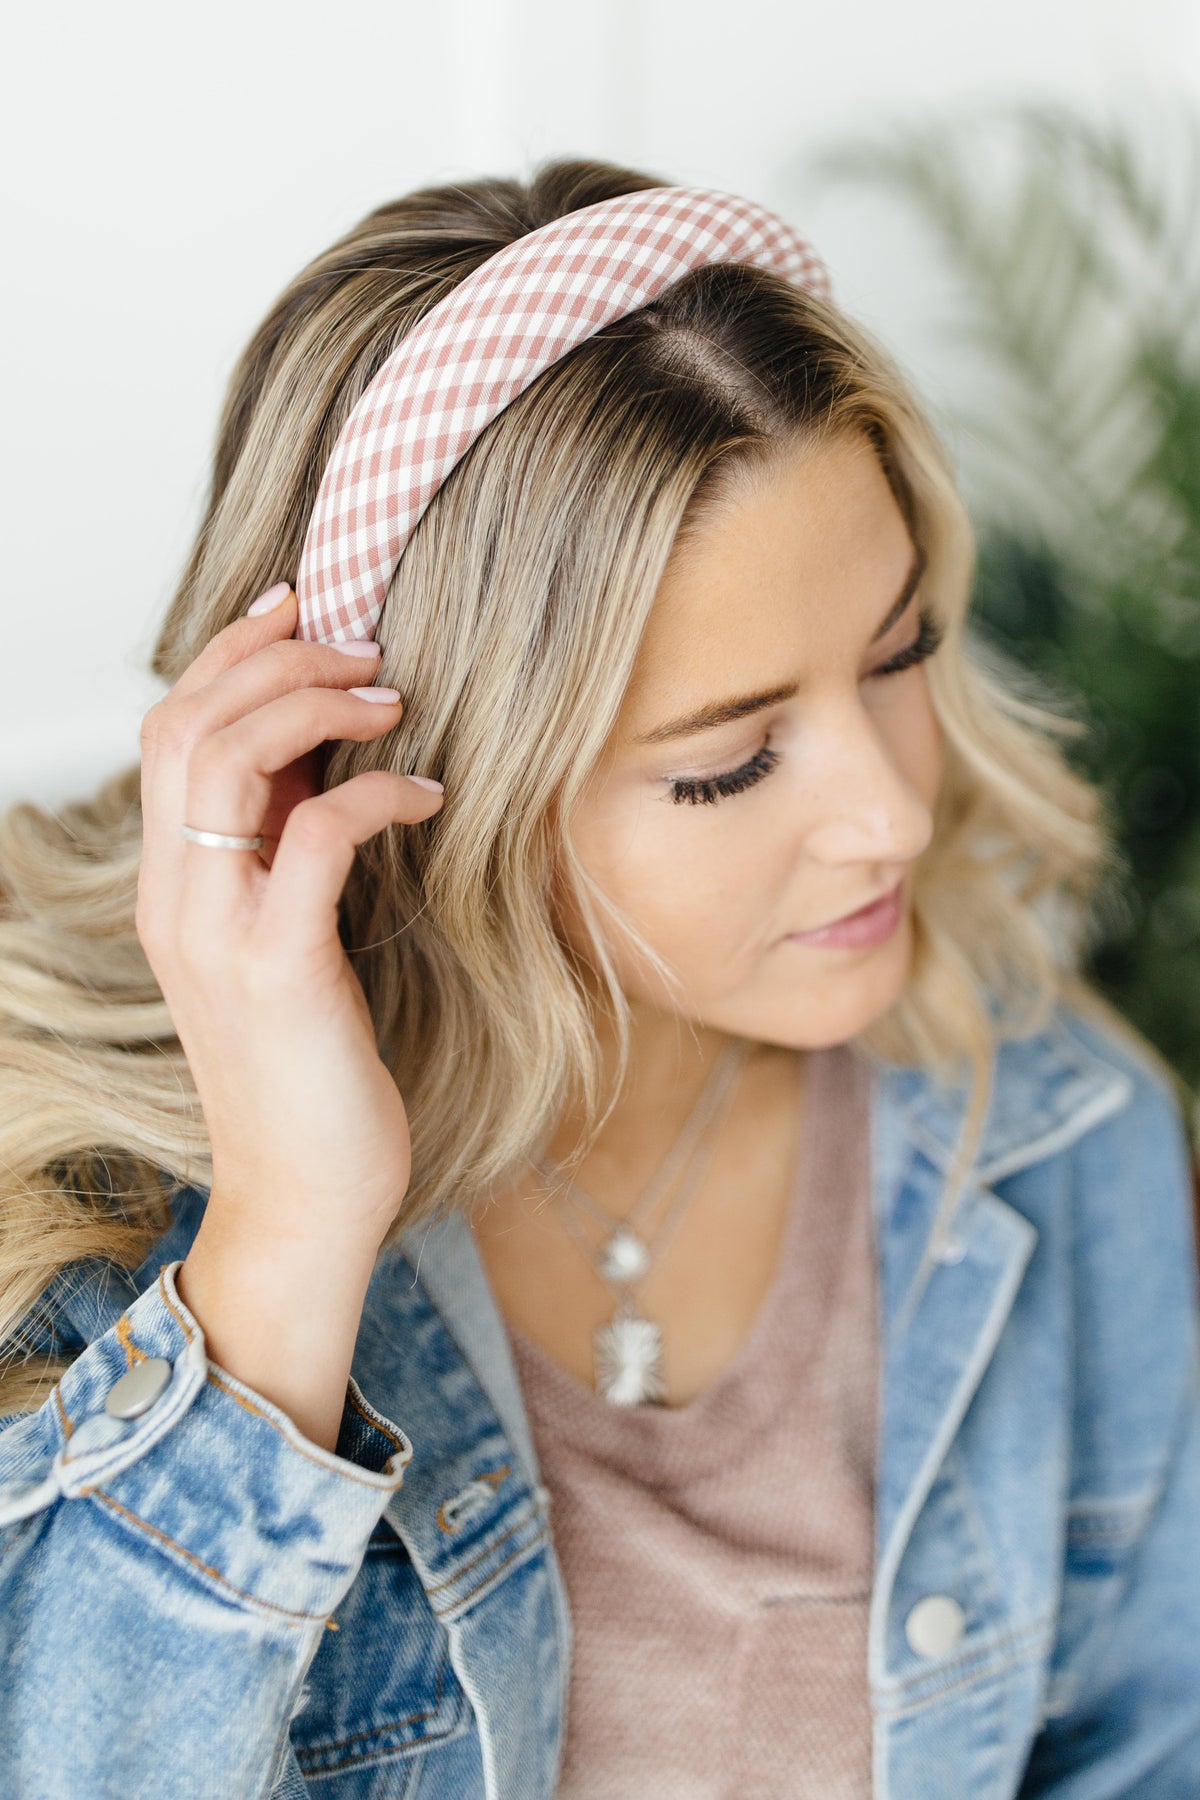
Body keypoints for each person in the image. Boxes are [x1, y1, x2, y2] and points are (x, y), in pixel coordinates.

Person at [0, 155, 1197, 1800]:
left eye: (901, 653)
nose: (894, 816)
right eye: (728, 761)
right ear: (413, 784)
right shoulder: (80, 1221)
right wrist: (287, 1238)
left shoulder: (1060, 1140)